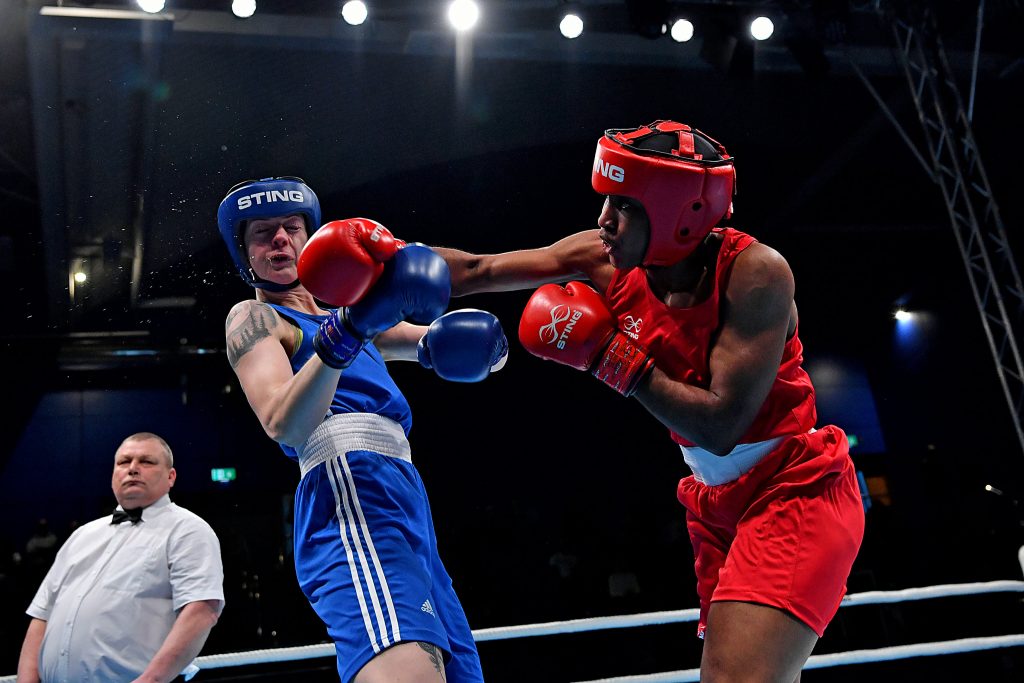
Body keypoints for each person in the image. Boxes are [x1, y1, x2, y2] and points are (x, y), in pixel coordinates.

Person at [435, 120, 866, 681]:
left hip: (794, 490)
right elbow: (477, 270)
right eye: (606, 201)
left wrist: (608, 356)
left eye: (625, 206)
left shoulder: (755, 273)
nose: (603, 220)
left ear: (674, 212)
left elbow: (721, 424)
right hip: (713, 502)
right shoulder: (606, 257)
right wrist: (384, 264)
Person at [217, 177, 506, 683]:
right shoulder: (257, 316)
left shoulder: (350, 321)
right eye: (263, 233)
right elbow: (283, 422)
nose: (281, 239)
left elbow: (446, 344)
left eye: (291, 227)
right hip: (349, 494)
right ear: (244, 253)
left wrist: (489, 347)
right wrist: (346, 332)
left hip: (406, 502)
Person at [17, 432, 224, 683]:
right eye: (124, 462)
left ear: (171, 477)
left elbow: (202, 611)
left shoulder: (188, 530)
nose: (133, 469)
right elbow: (42, 615)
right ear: (113, 475)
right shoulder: (82, 535)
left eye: (146, 461)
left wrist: (150, 681)